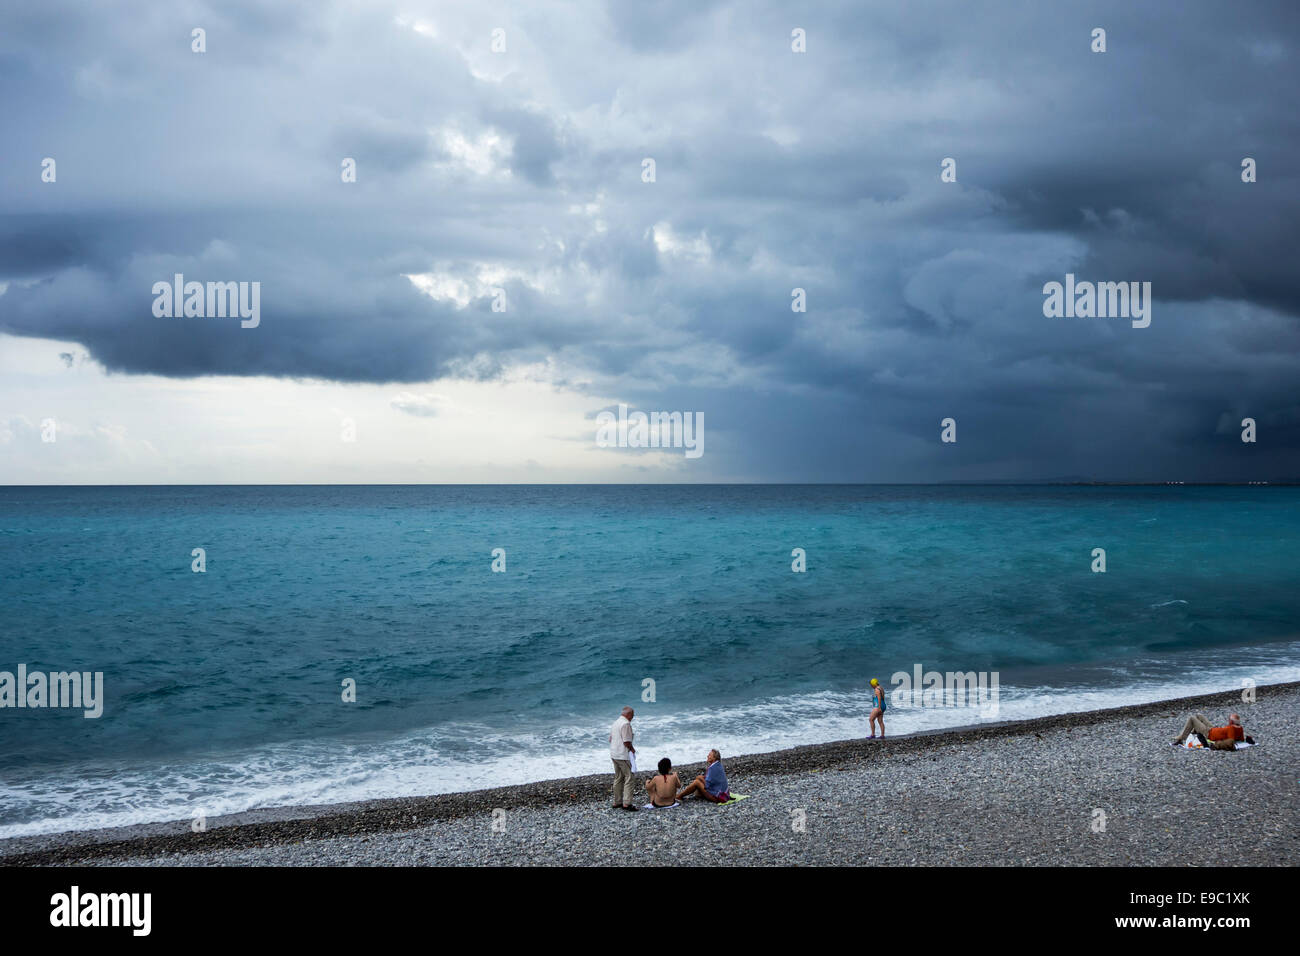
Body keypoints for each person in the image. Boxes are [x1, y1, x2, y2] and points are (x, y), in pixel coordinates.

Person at [609, 706, 637, 810]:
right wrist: (632, 749)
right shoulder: (625, 724)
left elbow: (610, 738)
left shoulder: (615, 723)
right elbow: (626, 741)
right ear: (628, 714)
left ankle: (617, 801)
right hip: (622, 755)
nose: (632, 717)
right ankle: (627, 803)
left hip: (614, 753)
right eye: (632, 715)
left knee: (618, 777)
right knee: (629, 777)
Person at [1173, 712, 1246, 747]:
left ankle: (1181, 738)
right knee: (1199, 716)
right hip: (1213, 729)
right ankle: (1193, 733)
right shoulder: (1240, 728)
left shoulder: (1231, 729)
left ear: (1232, 721)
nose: (1228, 721)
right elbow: (1241, 739)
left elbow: (1230, 741)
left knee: (1192, 718)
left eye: (1229, 720)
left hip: (1209, 733)